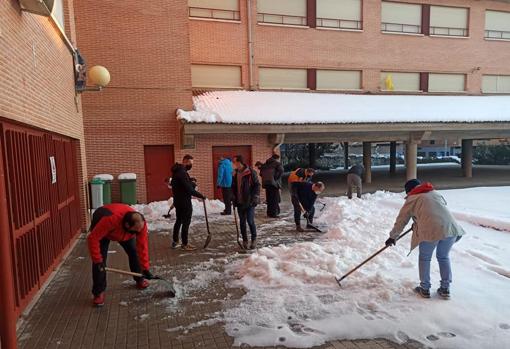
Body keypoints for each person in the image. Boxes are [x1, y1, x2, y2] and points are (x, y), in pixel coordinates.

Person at [385, 179, 465, 300]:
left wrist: (392, 237)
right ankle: (445, 288)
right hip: (450, 229)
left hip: (430, 231)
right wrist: (418, 221)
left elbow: (402, 220)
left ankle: (425, 288)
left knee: (425, 258)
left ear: (410, 191)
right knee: (443, 257)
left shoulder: (412, 199)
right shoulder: (434, 193)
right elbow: (434, 211)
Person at [87, 203, 155, 307]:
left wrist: (145, 268)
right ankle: (98, 292)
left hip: (122, 232)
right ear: (128, 225)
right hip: (104, 228)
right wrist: (97, 260)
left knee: (134, 252)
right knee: (100, 263)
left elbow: (142, 246)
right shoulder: (110, 220)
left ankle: (139, 278)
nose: (137, 233)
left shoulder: (140, 224)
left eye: (138, 231)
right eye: (135, 231)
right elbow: (93, 238)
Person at [171, 154, 206, 251]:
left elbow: (182, 183)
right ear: (185, 161)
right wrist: (201, 195)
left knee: (178, 220)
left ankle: (175, 241)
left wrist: (190, 180)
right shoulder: (182, 172)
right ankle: (185, 243)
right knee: (186, 222)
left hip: (178, 200)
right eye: (190, 163)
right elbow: (189, 189)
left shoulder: (177, 171)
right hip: (184, 201)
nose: (191, 165)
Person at [232, 155, 260, 250]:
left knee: (250, 220)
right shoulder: (235, 173)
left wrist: (255, 197)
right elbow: (233, 187)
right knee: (242, 222)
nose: (233, 163)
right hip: (239, 202)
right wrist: (233, 197)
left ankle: (254, 238)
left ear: (239, 162)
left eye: (234, 162)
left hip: (249, 201)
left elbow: (257, 185)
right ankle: (245, 240)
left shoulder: (250, 172)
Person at [260, 154, 284, 218]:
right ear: (277, 158)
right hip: (274, 184)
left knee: (269, 199)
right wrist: (275, 178)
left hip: (266, 183)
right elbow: (281, 171)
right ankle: (274, 214)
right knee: (275, 199)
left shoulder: (265, 164)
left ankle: (269, 213)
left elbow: (261, 173)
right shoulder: (277, 164)